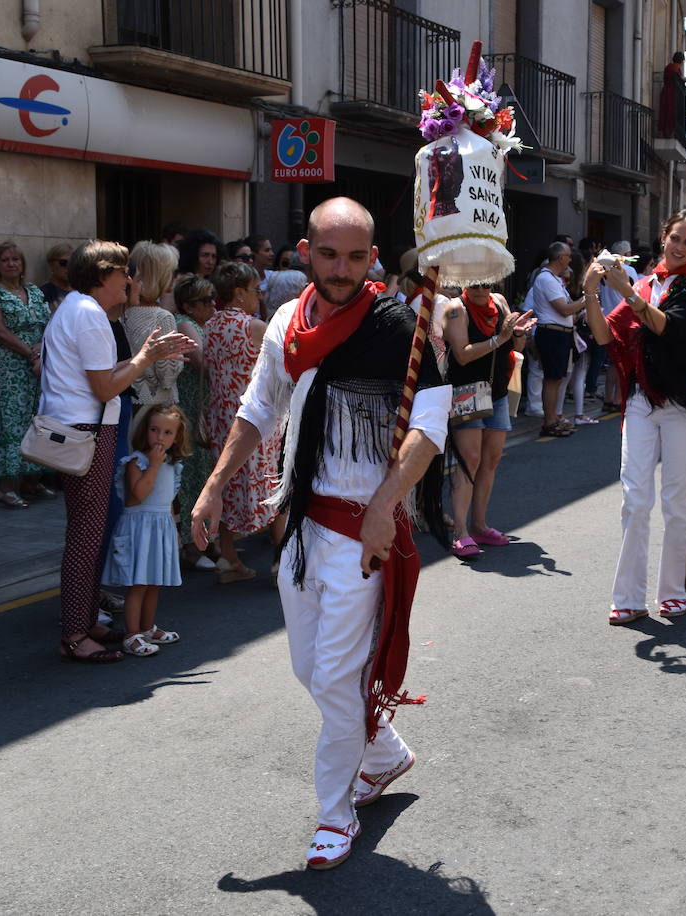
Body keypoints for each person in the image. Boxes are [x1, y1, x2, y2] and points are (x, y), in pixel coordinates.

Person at [191, 197, 450, 870]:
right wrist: (216, 487)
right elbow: (256, 410)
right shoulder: (286, 320)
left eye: (355, 256)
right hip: (302, 526)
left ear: (372, 258)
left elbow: (430, 428)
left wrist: (384, 507)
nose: (341, 269)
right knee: (311, 668)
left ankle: (336, 815)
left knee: (335, 675)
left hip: (365, 531)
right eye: (328, 254)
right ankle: (385, 749)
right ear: (304, 252)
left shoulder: (403, 327)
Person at [40, 239, 194, 663]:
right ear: (105, 275)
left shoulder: (77, 308)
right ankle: (75, 634)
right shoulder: (88, 313)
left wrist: (148, 356)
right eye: (124, 271)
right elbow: (106, 386)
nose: (130, 279)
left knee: (91, 532)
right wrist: (147, 356)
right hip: (87, 430)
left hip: (86, 429)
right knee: (87, 537)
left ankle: (85, 621)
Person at [582, 210, 686, 624]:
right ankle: (629, 597)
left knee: (677, 502)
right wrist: (590, 293)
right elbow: (606, 335)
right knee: (634, 499)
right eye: (674, 237)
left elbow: (669, 329)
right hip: (641, 399)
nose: (679, 247)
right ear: (663, 237)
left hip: (683, 402)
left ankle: (678, 592)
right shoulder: (645, 282)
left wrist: (630, 294)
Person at [440, 284, 535, 558]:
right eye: (477, 284)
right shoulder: (457, 308)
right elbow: (462, 354)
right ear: (467, 283)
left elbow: (516, 346)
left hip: (497, 392)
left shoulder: (500, 301)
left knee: (491, 459)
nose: (483, 289)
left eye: (487, 283)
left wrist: (517, 333)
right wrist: (501, 338)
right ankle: (461, 533)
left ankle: (479, 525)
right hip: (466, 391)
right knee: (469, 460)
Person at [203, 260, 278, 583]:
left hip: (222, 415)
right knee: (274, 483)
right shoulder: (254, 327)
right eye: (253, 290)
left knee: (226, 482)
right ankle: (280, 561)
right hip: (254, 415)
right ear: (237, 293)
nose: (258, 295)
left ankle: (228, 557)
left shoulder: (210, 326)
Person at [0, 241, 54, 508]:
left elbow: (48, 324)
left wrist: (41, 348)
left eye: (15, 259)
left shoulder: (34, 292)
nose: (10, 264)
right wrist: (29, 352)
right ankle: (5, 487)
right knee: (12, 421)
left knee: (38, 416)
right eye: (4, 260)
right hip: (12, 366)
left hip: (39, 363)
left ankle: (32, 481)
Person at [101, 404, 188, 657]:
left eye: (168, 433)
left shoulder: (173, 465)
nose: (160, 438)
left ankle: (148, 628)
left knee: (154, 583)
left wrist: (175, 532)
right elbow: (137, 495)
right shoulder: (136, 462)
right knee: (138, 584)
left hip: (160, 529)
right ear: (145, 431)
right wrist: (153, 465)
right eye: (154, 430)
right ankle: (131, 634)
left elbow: (169, 501)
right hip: (139, 529)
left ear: (177, 437)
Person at [171, 276, 218, 570]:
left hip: (202, 407)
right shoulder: (184, 323)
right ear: (189, 305)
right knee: (191, 477)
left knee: (203, 474)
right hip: (191, 410)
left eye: (213, 298)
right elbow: (202, 362)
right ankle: (191, 546)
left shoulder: (201, 323)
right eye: (205, 300)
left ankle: (204, 540)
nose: (213, 304)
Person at [524, 241, 588, 437]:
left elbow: (566, 310)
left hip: (559, 333)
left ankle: (552, 418)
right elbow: (563, 308)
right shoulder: (547, 279)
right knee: (552, 379)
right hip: (552, 334)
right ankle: (550, 421)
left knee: (556, 379)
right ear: (561, 258)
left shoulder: (554, 279)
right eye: (568, 256)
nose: (570, 259)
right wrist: (587, 299)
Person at [120, 241, 184, 427]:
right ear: (161, 275)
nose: (175, 276)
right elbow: (167, 376)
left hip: (124, 402)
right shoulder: (163, 317)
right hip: (155, 409)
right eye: (172, 271)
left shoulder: (119, 311)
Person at [657, 52, 686, 142]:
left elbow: (678, 79)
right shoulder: (674, 67)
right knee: (670, 114)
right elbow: (678, 79)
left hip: (669, 94)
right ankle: (669, 134)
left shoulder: (672, 67)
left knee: (667, 114)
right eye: (683, 61)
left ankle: (668, 133)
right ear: (681, 60)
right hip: (671, 95)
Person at [39, 243, 74, 311]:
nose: (69, 267)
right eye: (63, 263)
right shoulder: (43, 293)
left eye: (72, 263)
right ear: (51, 265)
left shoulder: (81, 291)